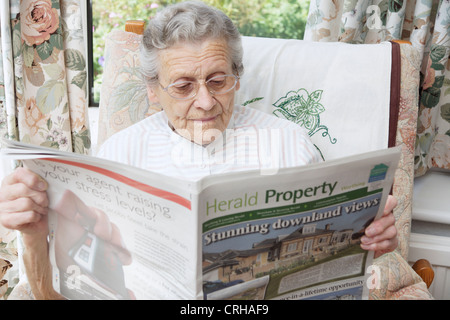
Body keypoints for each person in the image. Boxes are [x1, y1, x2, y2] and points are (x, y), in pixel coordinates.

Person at [0, 1, 398, 299]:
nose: (206, 102)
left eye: (217, 80)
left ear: (237, 79)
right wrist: (34, 237)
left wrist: (372, 241)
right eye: (184, 86)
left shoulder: (289, 144)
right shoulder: (120, 152)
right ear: (154, 92)